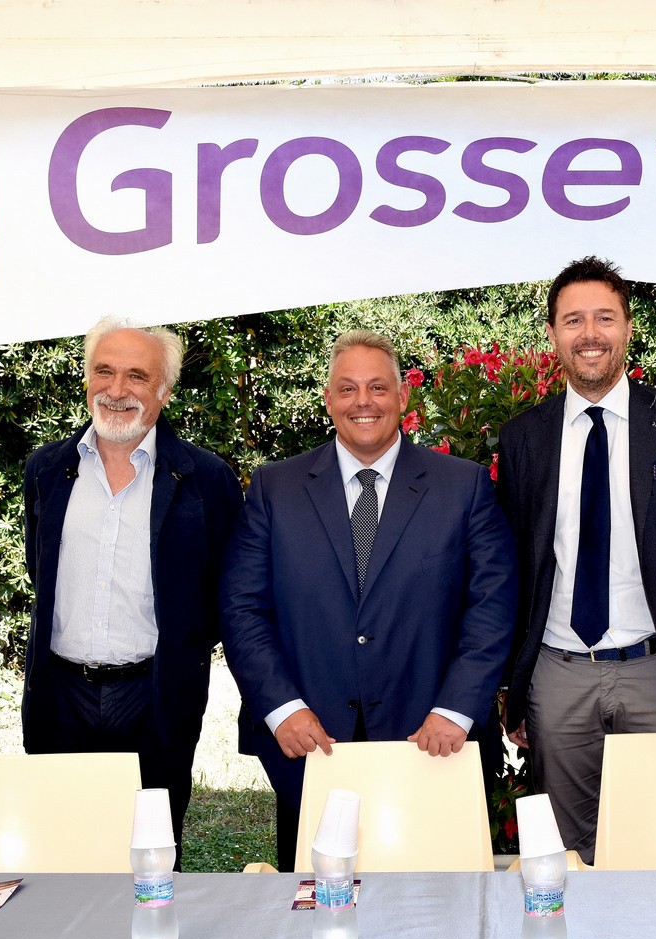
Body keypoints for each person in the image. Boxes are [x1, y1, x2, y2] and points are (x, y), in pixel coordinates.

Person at [496, 256, 656, 864]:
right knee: (564, 857)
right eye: (573, 320)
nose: (589, 334)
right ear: (552, 333)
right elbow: (511, 573)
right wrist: (514, 683)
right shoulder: (523, 438)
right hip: (557, 676)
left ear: (628, 327)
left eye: (604, 318)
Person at [220, 329, 517, 871]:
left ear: (402, 396)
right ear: (328, 398)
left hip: (432, 741)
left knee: (433, 900)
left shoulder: (464, 486)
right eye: (348, 388)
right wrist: (282, 709)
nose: (364, 401)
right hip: (310, 742)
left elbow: (492, 607)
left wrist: (455, 709)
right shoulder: (274, 488)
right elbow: (242, 609)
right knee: (319, 897)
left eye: (378, 387)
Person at [22, 318, 242, 851]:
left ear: (164, 391)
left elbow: (226, 592)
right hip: (61, 696)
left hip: (156, 696)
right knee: (65, 852)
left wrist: (185, 646)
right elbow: (40, 567)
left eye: (137, 377)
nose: (116, 390)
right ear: (86, 379)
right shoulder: (46, 470)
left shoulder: (206, 479)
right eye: (104, 371)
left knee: (154, 853)